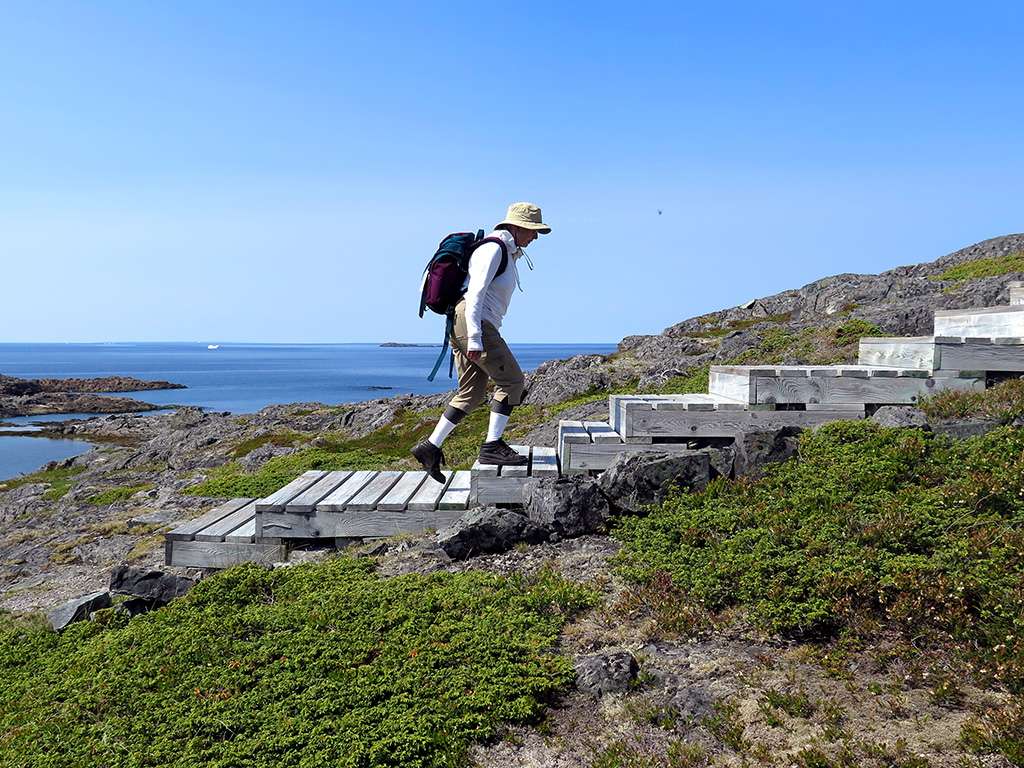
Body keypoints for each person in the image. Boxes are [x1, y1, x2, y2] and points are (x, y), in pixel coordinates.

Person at [412, 202, 551, 482]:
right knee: (513, 382)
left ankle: (430, 447)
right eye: (532, 230)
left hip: (465, 322)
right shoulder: (493, 249)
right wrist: (475, 338)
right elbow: (475, 293)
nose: (535, 237)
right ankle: (491, 447)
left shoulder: (506, 251)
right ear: (517, 226)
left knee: (472, 394)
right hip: (473, 323)